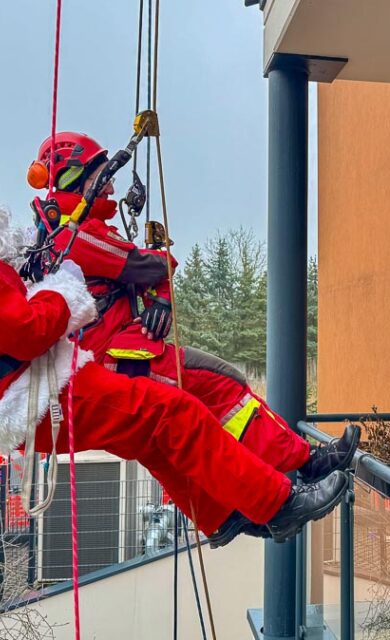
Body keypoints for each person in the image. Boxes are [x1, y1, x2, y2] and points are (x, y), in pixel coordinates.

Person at [0, 146, 346, 544]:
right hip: (39, 389)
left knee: (153, 431)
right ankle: (280, 500)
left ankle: (226, 513)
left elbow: (145, 272)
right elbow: (30, 327)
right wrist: (63, 291)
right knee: (183, 408)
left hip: (42, 382)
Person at [29, 132, 360, 545]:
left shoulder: (61, 233)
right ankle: (304, 465)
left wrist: (160, 299)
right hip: (119, 358)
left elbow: (147, 278)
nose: (112, 185)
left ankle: (222, 517)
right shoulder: (77, 235)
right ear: (78, 178)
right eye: (103, 174)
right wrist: (158, 280)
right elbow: (151, 266)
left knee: (159, 443)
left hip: (109, 357)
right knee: (223, 386)